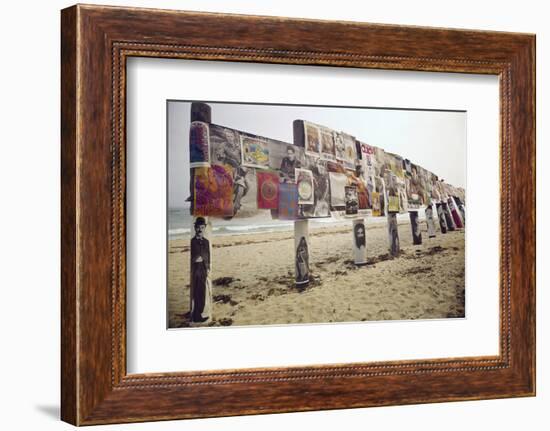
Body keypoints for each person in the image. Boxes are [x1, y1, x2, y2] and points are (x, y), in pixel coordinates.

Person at [190, 217, 210, 323]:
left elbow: (208, 254)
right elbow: (193, 256)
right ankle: (196, 315)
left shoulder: (206, 242)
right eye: (198, 227)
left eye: (202, 227)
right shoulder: (192, 241)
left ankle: (199, 314)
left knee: (202, 291)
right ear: (195, 228)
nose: (200, 229)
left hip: (203, 267)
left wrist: (208, 267)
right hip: (196, 268)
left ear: (204, 228)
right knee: (196, 292)